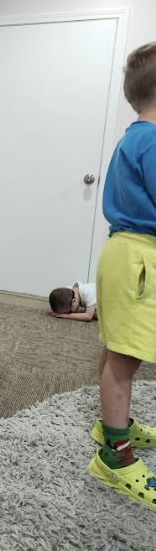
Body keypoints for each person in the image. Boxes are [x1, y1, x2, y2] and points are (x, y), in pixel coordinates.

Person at [88, 41, 156, 510]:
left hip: (124, 252)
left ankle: (111, 425)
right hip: (138, 258)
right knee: (127, 356)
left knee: (118, 348)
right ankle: (115, 455)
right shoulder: (152, 140)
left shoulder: (135, 136)